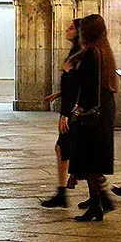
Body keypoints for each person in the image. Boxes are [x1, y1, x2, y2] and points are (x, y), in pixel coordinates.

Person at [68, 14, 117, 222]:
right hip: (105, 109)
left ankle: (96, 204)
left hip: (92, 113)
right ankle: (98, 201)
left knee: (89, 161)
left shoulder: (91, 53)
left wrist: (69, 72)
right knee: (95, 161)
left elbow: (84, 83)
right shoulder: (105, 51)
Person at [42, 19, 82, 208]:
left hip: (73, 110)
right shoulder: (77, 52)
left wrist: (66, 113)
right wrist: (57, 94)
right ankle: (65, 190)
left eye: (72, 27)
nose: (67, 29)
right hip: (72, 108)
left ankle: (62, 192)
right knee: (65, 149)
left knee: (64, 149)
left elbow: (77, 84)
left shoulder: (79, 54)